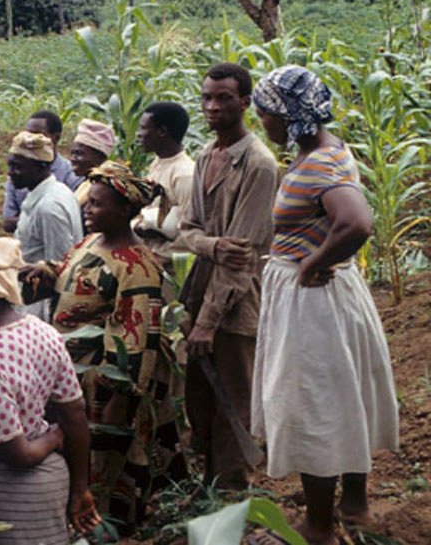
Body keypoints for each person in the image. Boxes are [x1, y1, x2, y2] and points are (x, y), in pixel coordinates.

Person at [248, 66, 398, 545]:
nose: (262, 121)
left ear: (288, 114)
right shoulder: (328, 150)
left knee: (312, 403)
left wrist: (312, 262)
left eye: (266, 112)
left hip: (312, 302)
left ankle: (318, 525)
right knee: (341, 393)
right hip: (330, 295)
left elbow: (356, 223)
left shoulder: (317, 163)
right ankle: (353, 505)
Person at [20, 162, 187, 529]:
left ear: (125, 211)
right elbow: (72, 274)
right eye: (88, 203)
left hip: (99, 386)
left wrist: (113, 397)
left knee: (104, 461)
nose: (87, 210)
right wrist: (45, 272)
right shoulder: (90, 242)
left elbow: (136, 344)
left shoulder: (137, 267)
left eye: (97, 205)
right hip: (69, 377)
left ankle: (108, 527)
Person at [0, 232, 98, 544]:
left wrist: (54, 437)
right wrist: (80, 487)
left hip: (12, 489)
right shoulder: (44, 332)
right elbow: (75, 412)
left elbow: (19, 454)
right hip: (53, 479)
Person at [179, 62, 279, 490]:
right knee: (199, 393)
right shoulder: (205, 155)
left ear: (244, 102)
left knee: (234, 398)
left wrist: (208, 320)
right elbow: (187, 230)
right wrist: (211, 244)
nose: (212, 106)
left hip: (235, 300)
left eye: (223, 98)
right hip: (200, 287)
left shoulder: (259, 165)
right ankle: (210, 484)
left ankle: (233, 494)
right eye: (207, 98)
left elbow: (241, 257)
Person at [7, 130, 83, 320]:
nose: (10, 173)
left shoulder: (48, 208)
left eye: (17, 167)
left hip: (40, 307)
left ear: (41, 167)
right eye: (10, 165)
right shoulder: (55, 191)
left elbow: (58, 268)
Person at [134, 101, 195, 263]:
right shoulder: (158, 163)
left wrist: (159, 257)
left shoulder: (185, 175)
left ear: (162, 131)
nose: (138, 134)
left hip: (166, 269)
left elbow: (189, 233)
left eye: (143, 128)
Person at [2, 110, 82, 233]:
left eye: (38, 135)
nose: (30, 140)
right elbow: (7, 222)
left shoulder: (72, 175)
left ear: (56, 138)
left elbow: (70, 221)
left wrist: (38, 219)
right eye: (28, 134)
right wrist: (41, 221)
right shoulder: (17, 174)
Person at [69, 119, 117, 208]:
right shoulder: (86, 183)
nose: (72, 159)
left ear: (99, 156)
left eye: (79, 153)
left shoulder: (104, 190)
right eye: (72, 153)